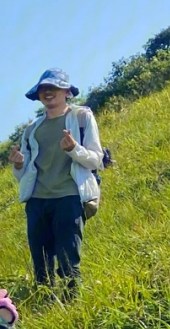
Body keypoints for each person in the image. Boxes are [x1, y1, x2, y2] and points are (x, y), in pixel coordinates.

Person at [8, 68, 103, 294]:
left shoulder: (81, 117)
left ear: (67, 92)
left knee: (69, 258)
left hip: (69, 196)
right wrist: (18, 165)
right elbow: (25, 174)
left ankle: (74, 304)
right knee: (41, 263)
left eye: (54, 88)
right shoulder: (32, 129)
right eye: (43, 89)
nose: (48, 92)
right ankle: (46, 303)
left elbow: (95, 160)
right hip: (37, 201)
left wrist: (74, 149)